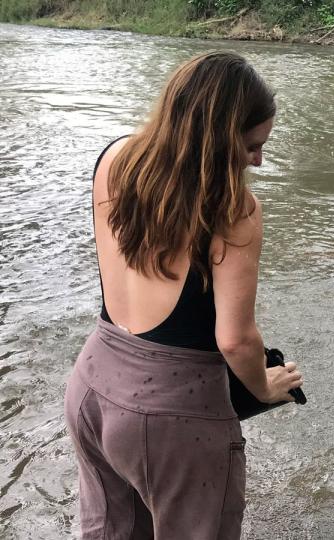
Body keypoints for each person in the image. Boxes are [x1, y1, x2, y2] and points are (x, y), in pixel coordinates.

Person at [63, 51, 303, 539]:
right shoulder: (234, 210)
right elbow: (235, 339)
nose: (258, 159)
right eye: (252, 145)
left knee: (111, 531)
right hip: (170, 417)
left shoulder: (116, 157)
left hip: (92, 384)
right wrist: (264, 387)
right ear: (216, 136)